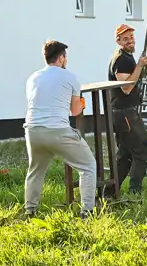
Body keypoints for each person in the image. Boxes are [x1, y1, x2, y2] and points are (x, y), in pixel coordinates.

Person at [23, 40, 97, 217]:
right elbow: (76, 111)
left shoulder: (33, 77)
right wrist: (81, 103)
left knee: (35, 171)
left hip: (32, 130)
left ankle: (30, 210)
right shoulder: (70, 77)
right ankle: (87, 211)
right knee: (88, 166)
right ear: (62, 58)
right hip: (58, 131)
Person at [108, 24, 147, 198]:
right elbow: (126, 87)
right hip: (125, 113)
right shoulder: (121, 59)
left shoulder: (127, 58)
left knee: (125, 154)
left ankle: (110, 192)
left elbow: (133, 78)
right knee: (141, 150)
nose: (130, 41)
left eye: (131, 37)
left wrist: (144, 67)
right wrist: (140, 65)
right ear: (118, 41)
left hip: (123, 112)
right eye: (125, 38)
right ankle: (135, 192)